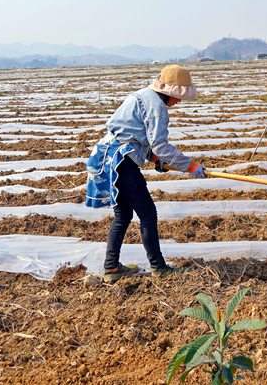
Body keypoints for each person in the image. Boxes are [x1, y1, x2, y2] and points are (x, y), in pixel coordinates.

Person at [85, 65, 206, 282]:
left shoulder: (143, 96)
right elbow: (159, 144)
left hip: (108, 157)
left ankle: (111, 268)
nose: (178, 102)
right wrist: (190, 166)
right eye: (178, 97)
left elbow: (138, 138)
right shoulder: (156, 106)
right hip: (121, 161)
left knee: (123, 215)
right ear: (169, 91)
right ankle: (159, 268)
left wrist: (156, 160)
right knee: (148, 214)